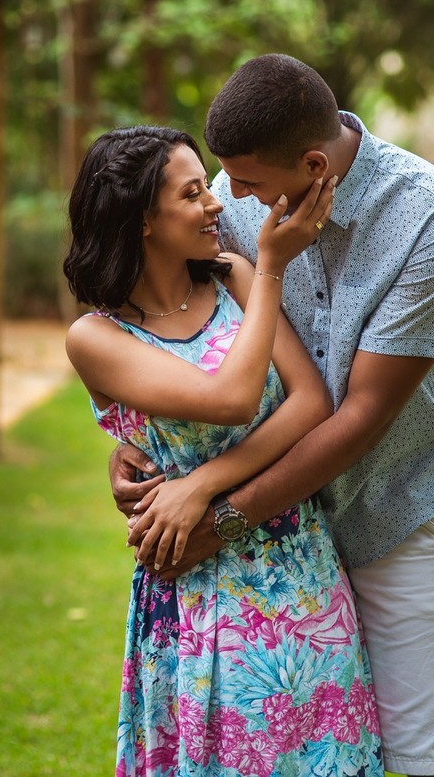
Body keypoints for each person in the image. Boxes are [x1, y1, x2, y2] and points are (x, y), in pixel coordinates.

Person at [112, 55, 434, 777]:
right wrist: (133, 443)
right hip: (282, 548)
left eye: (247, 183)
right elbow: (182, 333)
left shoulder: (433, 219)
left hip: (394, 515)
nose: (231, 199)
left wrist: (217, 518)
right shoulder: (236, 193)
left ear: (315, 165)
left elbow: (360, 414)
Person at [63, 125, 383, 777]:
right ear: (143, 221)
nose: (215, 203)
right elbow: (233, 397)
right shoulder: (96, 337)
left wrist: (200, 482)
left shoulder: (233, 277)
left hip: (301, 569)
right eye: (191, 193)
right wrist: (272, 267)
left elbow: (310, 405)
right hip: (196, 588)